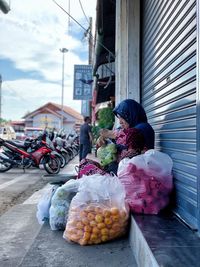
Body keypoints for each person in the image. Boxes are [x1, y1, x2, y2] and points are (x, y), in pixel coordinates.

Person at [77, 99, 155, 177]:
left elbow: (129, 135)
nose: (120, 122)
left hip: (131, 173)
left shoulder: (144, 127)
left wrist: (111, 134)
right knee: (85, 162)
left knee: (86, 167)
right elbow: (111, 136)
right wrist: (102, 139)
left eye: (123, 117)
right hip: (118, 168)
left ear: (131, 114)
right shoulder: (126, 128)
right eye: (119, 118)